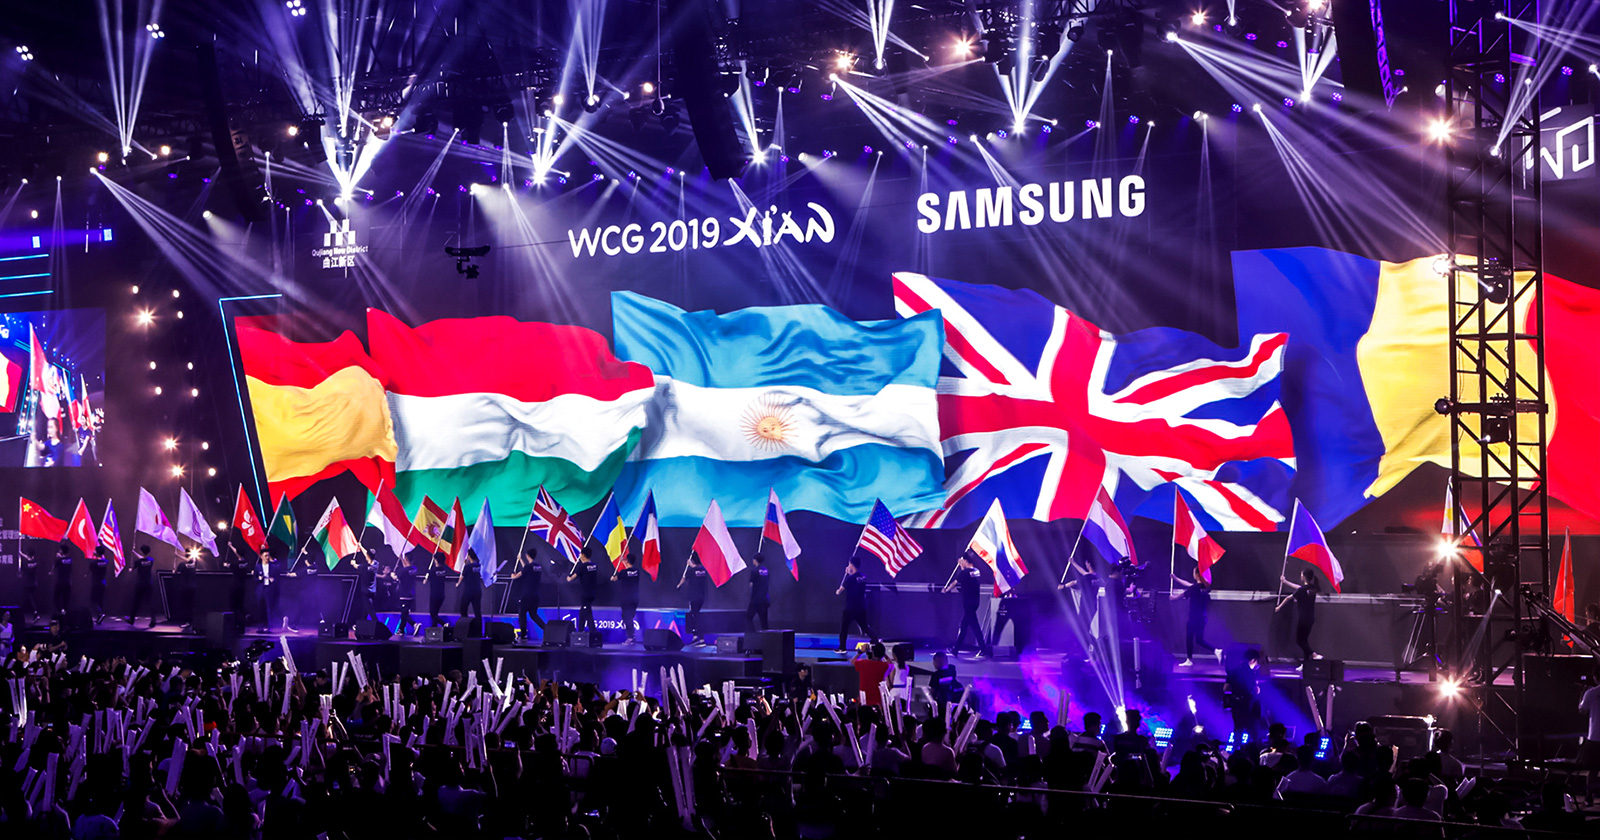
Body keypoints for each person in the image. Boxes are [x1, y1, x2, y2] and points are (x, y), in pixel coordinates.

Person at [1277, 568, 1324, 667]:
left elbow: (1288, 598)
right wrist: (1285, 582)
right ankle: (1305, 665)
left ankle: (1314, 655)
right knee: (1304, 641)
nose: (1300, 576)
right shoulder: (1312, 588)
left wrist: (1279, 607)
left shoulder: (1302, 590)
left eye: (1302, 574)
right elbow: (1299, 588)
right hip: (1311, 619)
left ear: (1304, 577)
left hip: (1303, 619)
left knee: (1299, 640)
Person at [1172, 571, 1220, 666]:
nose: (1193, 574)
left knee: (1189, 638)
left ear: (1197, 575)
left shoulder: (1194, 588)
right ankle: (1216, 650)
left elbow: (1183, 595)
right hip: (1202, 618)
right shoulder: (1205, 587)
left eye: (1194, 572)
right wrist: (1175, 578)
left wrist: (1173, 598)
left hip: (1194, 617)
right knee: (1199, 640)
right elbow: (1188, 584)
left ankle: (1189, 660)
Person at [945, 551, 983, 655]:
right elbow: (966, 577)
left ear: (965, 560)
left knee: (975, 627)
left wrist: (946, 590)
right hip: (975, 602)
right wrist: (962, 566)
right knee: (964, 625)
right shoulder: (976, 571)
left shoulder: (964, 573)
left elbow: (956, 582)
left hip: (968, 603)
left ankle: (983, 648)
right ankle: (956, 649)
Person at [1225, 648, 1265, 748]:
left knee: (1237, 728)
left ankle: (1237, 749)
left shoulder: (1233, 670)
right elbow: (1255, 690)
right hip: (1247, 704)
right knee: (1252, 729)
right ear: (1253, 660)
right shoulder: (1250, 673)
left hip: (1235, 703)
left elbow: (1225, 688)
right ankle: (1252, 749)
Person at [836, 558, 873, 652]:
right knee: (865, 626)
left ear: (852, 565)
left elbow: (839, 591)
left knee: (844, 628)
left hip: (850, 608)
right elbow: (855, 581)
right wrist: (849, 574)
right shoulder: (863, 577)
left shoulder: (850, 579)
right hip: (861, 607)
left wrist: (847, 575)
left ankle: (842, 648)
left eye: (849, 564)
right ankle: (876, 641)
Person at [510, 549, 544, 642]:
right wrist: (520, 559)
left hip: (527, 595)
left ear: (528, 556)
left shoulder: (529, 567)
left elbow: (518, 575)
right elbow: (527, 569)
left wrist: (513, 576)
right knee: (533, 614)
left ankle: (523, 635)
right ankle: (547, 629)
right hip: (535, 595)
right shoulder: (538, 566)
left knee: (522, 613)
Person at [612, 551, 642, 644]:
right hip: (635, 598)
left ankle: (630, 637)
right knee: (629, 617)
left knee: (626, 617)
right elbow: (630, 571)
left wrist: (612, 577)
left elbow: (614, 579)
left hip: (626, 599)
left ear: (627, 561)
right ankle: (632, 636)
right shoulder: (637, 572)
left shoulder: (623, 572)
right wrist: (624, 561)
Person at [569, 546, 601, 633]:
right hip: (592, 593)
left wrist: (568, 577)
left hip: (585, 594)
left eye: (580, 554)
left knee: (588, 613)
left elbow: (571, 578)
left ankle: (594, 632)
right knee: (582, 612)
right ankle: (580, 632)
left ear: (583, 555)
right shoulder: (594, 566)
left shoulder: (582, 567)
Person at [679, 553, 709, 645]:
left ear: (693, 561)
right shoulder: (703, 570)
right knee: (696, 615)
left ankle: (699, 638)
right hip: (701, 597)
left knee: (694, 617)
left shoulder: (691, 571)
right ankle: (697, 637)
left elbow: (684, 578)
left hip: (693, 597)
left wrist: (679, 585)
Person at [1580, 667, 1600, 804]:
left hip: (1594, 737)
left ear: (1595, 677)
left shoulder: (1591, 693)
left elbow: (1582, 710)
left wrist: (1581, 694)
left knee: (1592, 770)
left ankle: (1589, 797)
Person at [125, 544, 158, 627]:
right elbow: (144, 559)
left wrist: (130, 568)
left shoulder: (137, 562)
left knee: (136, 602)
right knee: (150, 602)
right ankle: (153, 619)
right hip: (148, 583)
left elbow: (132, 568)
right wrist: (135, 553)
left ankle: (131, 619)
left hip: (140, 584)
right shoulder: (151, 560)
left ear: (141, 551)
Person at [257, 547, 288, 632]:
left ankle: (269, 626)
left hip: (271, 589)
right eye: (265, 555)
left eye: (268, 555)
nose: (267, 557)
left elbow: (276, 572)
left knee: (270, 607)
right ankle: (262, 626)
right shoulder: (260, 566)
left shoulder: (273, 566)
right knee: (266, 607)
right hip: (265, 589)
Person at [852, 642, 892, 707]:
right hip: (878, 700)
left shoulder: (863, 663)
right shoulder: (884, 666)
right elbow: (891, 664)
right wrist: (885, 655)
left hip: (863, 699)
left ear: (873, 653)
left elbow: (853, 661)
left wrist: (860, 652)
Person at [457, 550, 485, 634]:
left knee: (463, 609)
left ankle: (466, 628)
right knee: (477, 611)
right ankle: (479, 631)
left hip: (468, 591)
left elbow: (462, 576)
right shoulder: (479, 566)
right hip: (477, 591)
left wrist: (458, 584)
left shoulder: (467, 567)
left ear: (469, 556)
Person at [394, 554, 420, 635]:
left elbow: (397, 577)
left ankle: (414, 624)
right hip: (411, 594)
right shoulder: (414, 569)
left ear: (406, 559)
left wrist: (393, 576)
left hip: (404, 595)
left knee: (404, 613)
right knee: (404, 612)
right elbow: (407, 568)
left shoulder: (403, 571)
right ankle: (401, 630)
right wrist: (402, 559)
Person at [426, 551, 452, 626]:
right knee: (435, 613)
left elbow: (428, 575)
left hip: (434, 595)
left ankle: (444, 624)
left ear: (436, 560)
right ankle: (434, 629)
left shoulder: (432, 571)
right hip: (441, 595)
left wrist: (427, 576)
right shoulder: (444, 570)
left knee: (432, 613)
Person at [351, 550, 378, 623]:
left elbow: (356, 566)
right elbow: (367, 555)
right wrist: (361, 546)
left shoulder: (364, 567)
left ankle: (376, 623)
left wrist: (353, 563)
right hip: (373, 592)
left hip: (366, 592)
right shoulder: (376, 564)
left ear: (368, 556)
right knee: (365, 609)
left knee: (370, 609)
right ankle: (361, 624)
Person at [746, 552, 771, 631]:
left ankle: (752, 633)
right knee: (764, 622)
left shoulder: (754, 571)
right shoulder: (766, 570)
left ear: (755, 560)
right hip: (765, 599)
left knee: (748, 618)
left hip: (756, 600)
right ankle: (767, 637)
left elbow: (751, 584)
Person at [89, 546, 110, 623]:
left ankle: (100, 613)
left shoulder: (93, 562)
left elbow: (90, 571)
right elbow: (102, 559)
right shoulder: (106, 561)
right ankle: (99, 617)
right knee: (100, 600)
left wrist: (93, 556)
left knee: (93, 600)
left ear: (97, 552)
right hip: (103, 583)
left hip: (96, 583)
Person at [53, 542, 74, 616]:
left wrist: (58, 558)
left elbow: (53, 569)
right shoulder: (70, 560)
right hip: (68, 582)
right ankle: (65, 612)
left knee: (56, 598)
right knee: (66, 599)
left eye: (60, 549)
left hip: (60, 582)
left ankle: (61, 610)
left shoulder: (58, 560)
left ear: (61, 550)